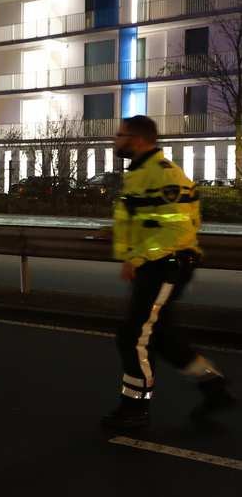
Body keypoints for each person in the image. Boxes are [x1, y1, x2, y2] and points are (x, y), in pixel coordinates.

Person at [101, 115, 234, 430]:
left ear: (137, 139)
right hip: (157, 264)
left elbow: (176, 231)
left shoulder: (163, 176)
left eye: (120, 135)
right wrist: (115, 234)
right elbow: (147, 220)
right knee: (163, 338)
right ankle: (213, 388)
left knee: (134, 336)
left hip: (166, 266)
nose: (115, 140)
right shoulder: (142, 173)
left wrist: (136, 258)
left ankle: (134, 409)